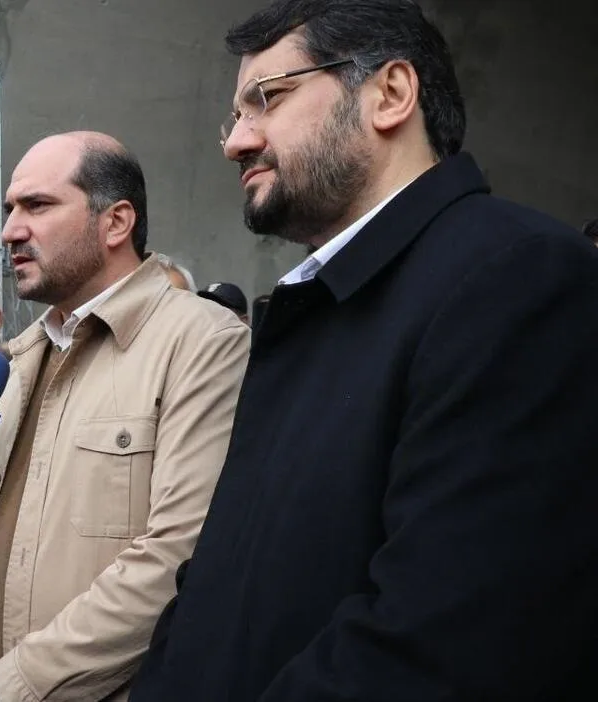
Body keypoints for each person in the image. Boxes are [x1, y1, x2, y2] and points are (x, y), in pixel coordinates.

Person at [128, 2, 598, 700]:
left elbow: (446, 634)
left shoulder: (522, 277)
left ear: (390, 94)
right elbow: (217, 581)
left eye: (267, 99)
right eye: (234, 116)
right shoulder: (313, 305)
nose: (236, 142)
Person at [0, 132, 250, 702]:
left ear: (116, 222)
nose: (10, 230)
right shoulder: (15, 362)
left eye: (37, 206)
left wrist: (14, 683)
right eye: (9, 209)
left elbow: (177, 551)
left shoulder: (202, 342)